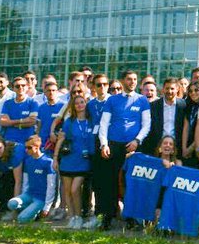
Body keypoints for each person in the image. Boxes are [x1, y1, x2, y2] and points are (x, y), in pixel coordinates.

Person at [96, 71, 152, 230]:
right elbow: (104, 123)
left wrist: (137, 140)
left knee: (131, 182)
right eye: (129, 79)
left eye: (135, 79)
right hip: (113, 145)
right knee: (110, 181)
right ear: (122, 81)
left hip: (133, 146)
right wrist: (104, 144)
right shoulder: (112, 100)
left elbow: (146, 124)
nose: (132, 82)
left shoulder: (142, 100)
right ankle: (108, 216)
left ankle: (131, 218)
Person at [54, 94, 95, 229]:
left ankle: (79, 216)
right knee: (67, 190)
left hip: (83, 161)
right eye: (77, 103)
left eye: (82, 102)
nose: (80, 105)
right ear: (73, 106)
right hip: (68, 159)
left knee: (75, 189)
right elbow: (60, 139)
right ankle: (71, 217)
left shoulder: (91, 120)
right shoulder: (69, 122)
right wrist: (55, 158)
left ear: (86, 104)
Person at [15, 134, 57, 223]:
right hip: (29, 195)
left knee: (21, 219)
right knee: (12, 203)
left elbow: (51, 185)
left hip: (41, 198)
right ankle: (31, 210)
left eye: (29, 147)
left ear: (37, 147)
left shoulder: (48, 162)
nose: (26, 150)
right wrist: (24, 195)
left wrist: (47, 207)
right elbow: (25, 182)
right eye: (25, 147)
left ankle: (37, 211)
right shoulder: (27, 161)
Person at [144, 78, 185, 156]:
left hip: (177, 147)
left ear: (177, 89)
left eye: (172, 89)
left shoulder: (183, 105)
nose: (169, 91)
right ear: (163, 89)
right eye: (167, 88)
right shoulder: (153, 106)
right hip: (156, 146)